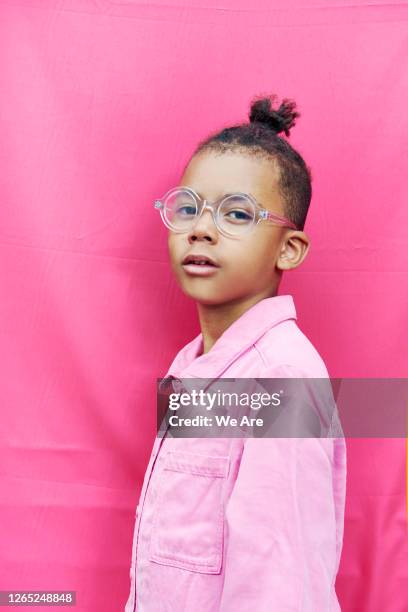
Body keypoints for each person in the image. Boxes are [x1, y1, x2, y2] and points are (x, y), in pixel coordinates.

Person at [125, 93, 347, 611]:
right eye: (188, 208)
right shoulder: (197, 366)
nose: (201, 228)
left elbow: (280, 584)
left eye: (237, 214)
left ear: (288, 249)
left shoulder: (281, 381)